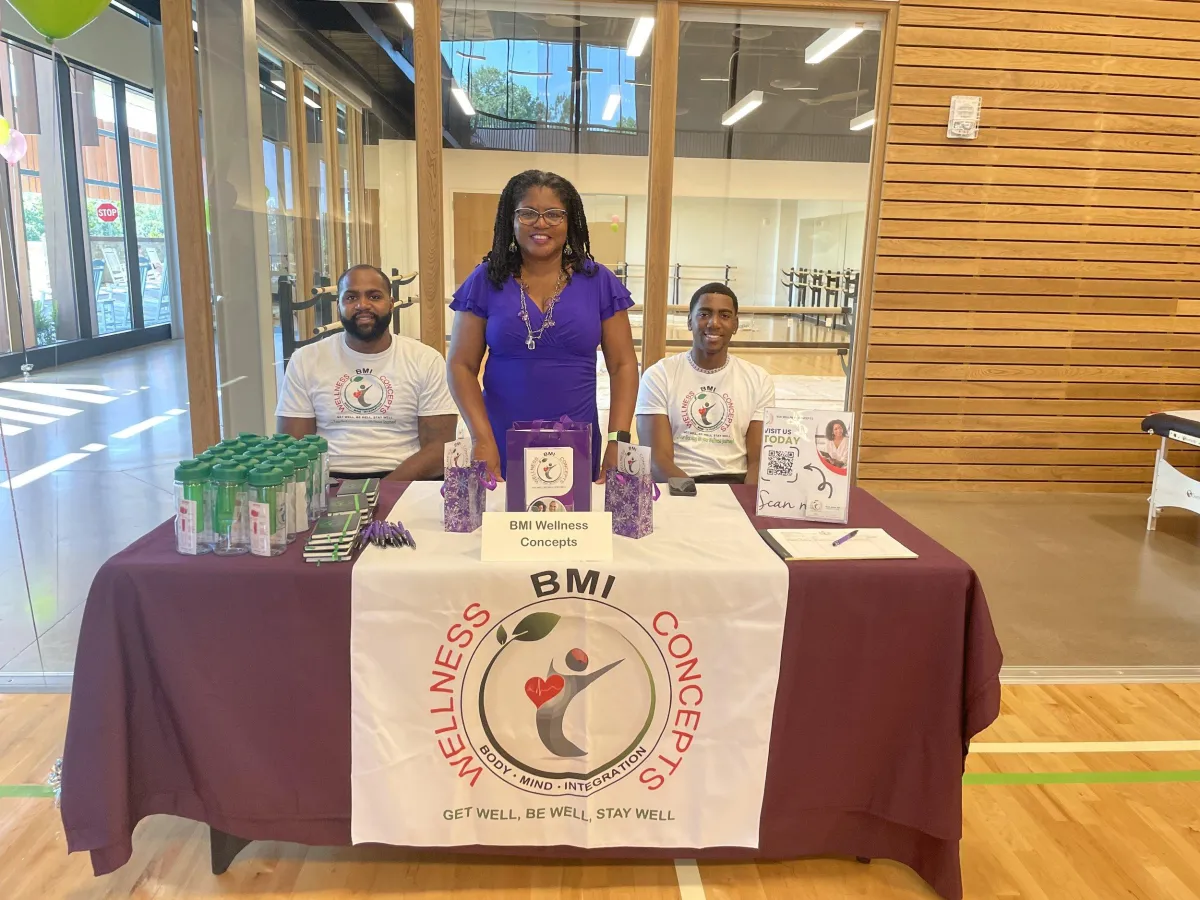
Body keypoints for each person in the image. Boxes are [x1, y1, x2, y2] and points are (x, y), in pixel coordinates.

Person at [447, 170, 639, 483]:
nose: (541, 223)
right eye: (527, 213)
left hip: (576, 443)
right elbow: (460, 365)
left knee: (569, 530)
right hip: (499, 442)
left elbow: (623, 365)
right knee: (502, 529)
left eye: (554, 214)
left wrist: (619, 439)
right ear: (511, 220)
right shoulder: (486, 279)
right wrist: (481, 438)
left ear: (570, 221)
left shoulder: (598, 280)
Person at [276, 264, 459, 480]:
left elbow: (439, 450)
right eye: (351, 298)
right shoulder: (306, 360)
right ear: (339, 306)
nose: (363, 305)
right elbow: (294, 446)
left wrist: (379, 492)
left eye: (374, 296)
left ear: (391, 304)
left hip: (404, 478)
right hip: (329, 482)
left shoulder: (425, 360)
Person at [635, 283, 775, 484]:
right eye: (704, 314)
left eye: (724, 316)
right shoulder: (659, 375)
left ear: (735, 325)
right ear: (689, 321)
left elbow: (759, 461)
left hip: (736, 484)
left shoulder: (759, 380)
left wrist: (745, 501)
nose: (714, 323)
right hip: (678, 487)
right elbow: (657, 461)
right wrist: (696, 499)